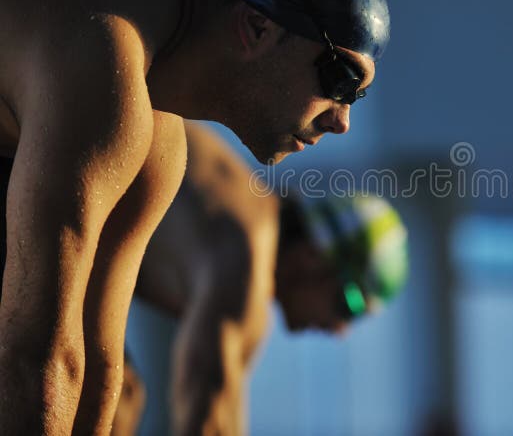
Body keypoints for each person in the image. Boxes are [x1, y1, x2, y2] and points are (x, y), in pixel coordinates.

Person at [0, 0, 390, 432]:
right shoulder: (105, 66)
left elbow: (94, 370)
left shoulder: (160, 144)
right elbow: (37, 363)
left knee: (119, 396)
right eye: (339, 79)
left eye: (357, 99)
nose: (341, 121)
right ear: (256, 26)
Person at [115, 122, 408, 436]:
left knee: (122, 395)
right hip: (64, 172)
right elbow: (208, 424)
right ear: (315, 256)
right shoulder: (248, 263)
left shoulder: (247, 216)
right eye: (347, 304)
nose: (339, 330)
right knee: (113, 402)